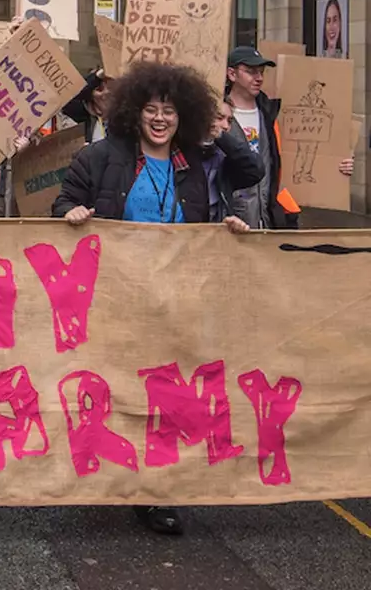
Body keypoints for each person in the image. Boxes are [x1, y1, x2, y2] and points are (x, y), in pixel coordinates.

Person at [53, 61, 262, 535]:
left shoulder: (200, 160)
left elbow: (251, 170)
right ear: (134, 113)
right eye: (151, 109)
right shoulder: (101, 156)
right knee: (111, 386)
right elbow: (63, 203)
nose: (161, 118)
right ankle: (106, 469)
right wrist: (74, 212)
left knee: (167, 392)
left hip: (177, 299)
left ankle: (157, 491)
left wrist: (222, 132)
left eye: (170, 110)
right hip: (114, 296)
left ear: (183, 115)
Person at [224, 46, 300, 230]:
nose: (259, 78)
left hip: (268, 219)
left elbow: (294, 155)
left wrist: (338, 167)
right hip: (229, 222)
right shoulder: (217, 115)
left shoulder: (269, 114)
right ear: (231, 74)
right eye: (250, 72)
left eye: (261, 72)